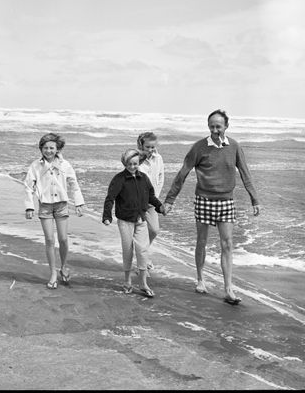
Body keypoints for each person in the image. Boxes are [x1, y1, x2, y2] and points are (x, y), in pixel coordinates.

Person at [163, 109, 260, 305]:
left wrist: (254, 199)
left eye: (218, 126)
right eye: (211, 126)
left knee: (228, 244)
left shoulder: (234, 146)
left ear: (226, 126)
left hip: (226, 201)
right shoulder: (199, 147)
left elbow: (245, 173)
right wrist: (170, 200)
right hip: (204, 200)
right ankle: (200, 280)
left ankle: (228, 289)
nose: (215, 130)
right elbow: (182, 173)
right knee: (202, 241)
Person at [102, 148, 166, 298]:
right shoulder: (119, 179)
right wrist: (107, 216)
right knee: (128, 250)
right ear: (125, 163)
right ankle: (127, 281)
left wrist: (160, 206)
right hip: (125, 221)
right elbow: (110, 198)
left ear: (139, 163)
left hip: (140, 219)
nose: (132, 166)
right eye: (129, 164)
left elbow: (151, 196)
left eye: (135, 164)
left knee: (143, 250)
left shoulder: (144, 178)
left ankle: (143, 283)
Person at [24, 133, 85, 289]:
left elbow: (74, 184)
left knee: (63, 239)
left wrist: (79, 203)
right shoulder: (36, 166)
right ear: (41, 149)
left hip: (62, 205)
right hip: (45, 206)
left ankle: (63, 266)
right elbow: (28, 187)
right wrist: (29, 206)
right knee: (50, 240)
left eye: (52, 148)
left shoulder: (65, 165)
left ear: (57, 148)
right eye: (45, 148)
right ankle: (52, 273)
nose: (48, 151)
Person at [137, 131, 165, 271]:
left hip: (151, 202)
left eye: (152, 147)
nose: (150, 150)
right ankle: (141, 259)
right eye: (147, 147)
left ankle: (143, 253)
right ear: (141, 145)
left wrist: (155, 197)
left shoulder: (158, 158)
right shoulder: (136, 159)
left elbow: (160, 178)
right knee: (139, 232)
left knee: (154, 230)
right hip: (137, 203)